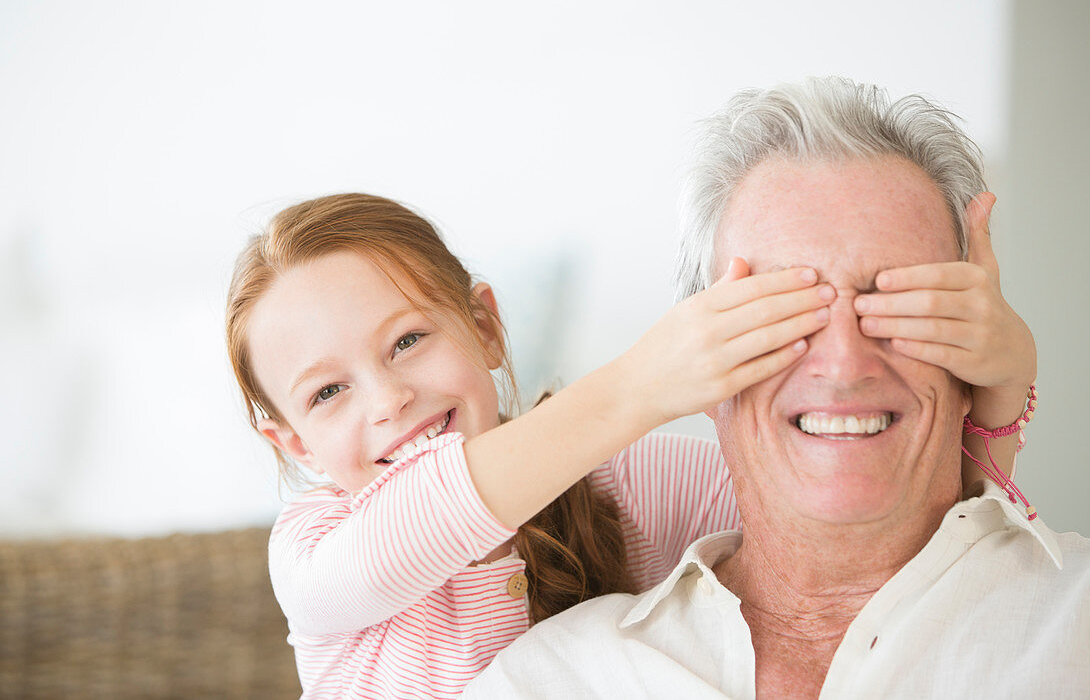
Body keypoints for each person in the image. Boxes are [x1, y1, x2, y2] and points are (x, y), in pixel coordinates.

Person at [464, 77, 1090, 698]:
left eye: (898, 304)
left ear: (971, 361)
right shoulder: (551, 681)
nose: (845, 364)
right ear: (700, 370)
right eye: (782, 312)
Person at [225, 192, 835, 699]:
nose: (387, 401)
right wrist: (642, 383)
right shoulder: (313, 551)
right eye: (328, 392)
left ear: (485, 328)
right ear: (297, 445)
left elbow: (821, 511)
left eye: (407, 341)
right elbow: (415, 522)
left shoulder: (623, 480)